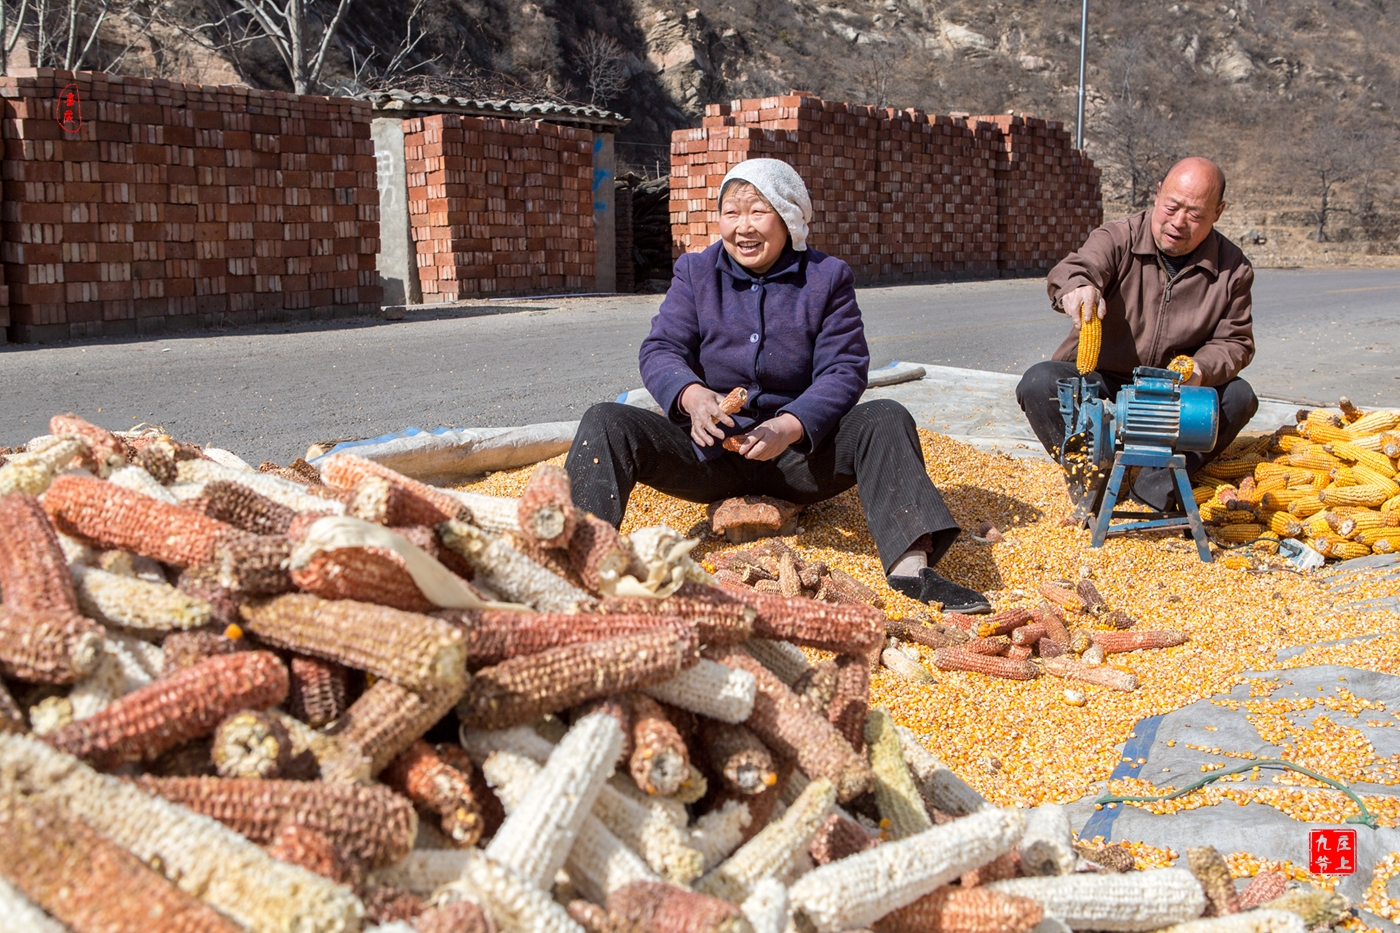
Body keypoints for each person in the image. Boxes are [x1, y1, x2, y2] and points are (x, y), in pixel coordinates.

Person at [565, 158, 990, 613]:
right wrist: (693, 396)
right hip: (709, 451)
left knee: (886, 417)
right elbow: (662, 348)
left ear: (789, 216)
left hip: (800, 459)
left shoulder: (826, 278)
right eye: (731, 212)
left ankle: (911, 570)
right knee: (605, 421)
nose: (742, 227)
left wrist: (789, 426)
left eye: (757, 212)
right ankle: (573, 562)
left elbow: (844, 368)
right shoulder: (696, 272)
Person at [1015, 156, 1259, 511]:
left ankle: (1153, 487)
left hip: (1171, 389)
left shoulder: (1233, 268)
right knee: (1039, 382)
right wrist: (1077, 287)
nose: (1178, 223)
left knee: (1238, 397)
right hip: (1102, 377)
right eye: (1172, 206)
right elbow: (1076, 267)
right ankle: (1091, 477)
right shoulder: (1119, 237)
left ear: (1218, 212)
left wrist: (1200, 368)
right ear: (1158, 194)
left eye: (1195, 215)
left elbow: (1236, 342)